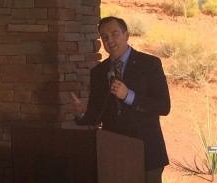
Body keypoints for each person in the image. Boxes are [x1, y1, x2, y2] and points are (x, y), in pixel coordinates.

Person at [70, 16, 171, 183]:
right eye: (104, 37)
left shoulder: (150, 64)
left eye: (114, 34)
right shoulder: (98, 72)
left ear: (126, 35)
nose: (110, 40)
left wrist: (128, 96)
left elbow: (163, 106)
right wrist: (82, 113)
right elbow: (96, 114)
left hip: (147, 151)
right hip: (113, 154)